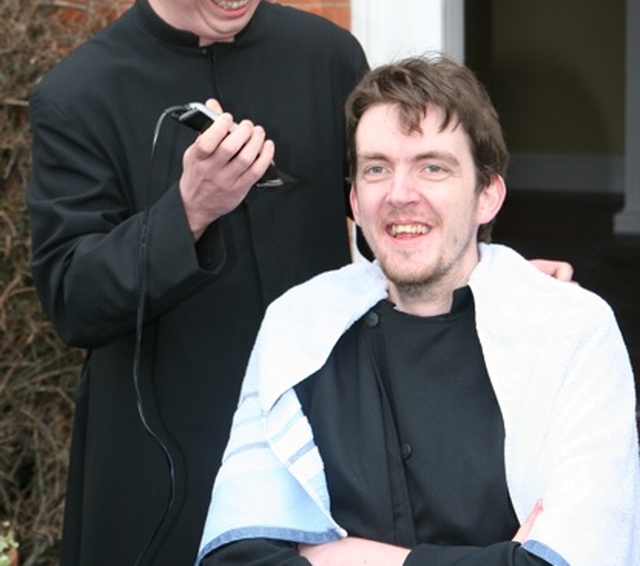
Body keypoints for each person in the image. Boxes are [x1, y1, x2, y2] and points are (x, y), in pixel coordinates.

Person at [28, 0, 571, 566]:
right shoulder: (77, 95)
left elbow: (392, 213)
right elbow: (72, 300)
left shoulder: (325, 55)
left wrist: (493, 281)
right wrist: (187, 212)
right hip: (160, 465)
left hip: (320, 443)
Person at [197, 54, 640, 566]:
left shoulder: (570, 330)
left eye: (433, 167)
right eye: (377, 169)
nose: (400, 195)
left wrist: (335, 556)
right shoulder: (298, 326)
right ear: (355, 203)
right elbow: (236, 557)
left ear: (487, 197)